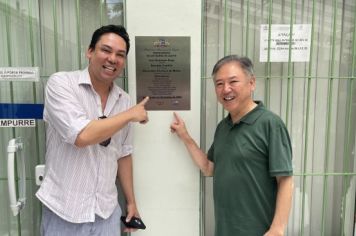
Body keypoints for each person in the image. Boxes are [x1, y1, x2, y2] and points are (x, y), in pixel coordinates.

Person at [36, 24, 149, 236]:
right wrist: (131, 114)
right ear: (90, 52)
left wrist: (131, 202)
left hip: (106, 214)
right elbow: (81, 136)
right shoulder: (61, 84)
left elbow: (123, 153)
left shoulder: (123, 100)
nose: (112, 59)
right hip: (63, 212)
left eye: (120, 54)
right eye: (106, 50)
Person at [170, 55, 294, 236]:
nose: (225, 89)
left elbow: (286, 180)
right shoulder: (223, 126)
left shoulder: (270, 123)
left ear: (252, 83)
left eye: (233, 81)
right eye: (219, 84)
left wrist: (277, 228)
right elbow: (208, 168)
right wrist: (185, 136)